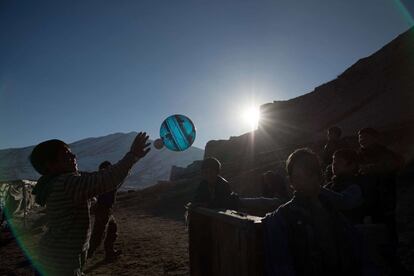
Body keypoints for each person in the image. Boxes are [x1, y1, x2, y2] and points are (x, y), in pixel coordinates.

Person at [30, 132, 150, 276]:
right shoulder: (65, 183)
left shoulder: (57, 183)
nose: (73, 157)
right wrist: (132, 155)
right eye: (66, 155)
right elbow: (106, 179)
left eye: (72, 153)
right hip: (60, 264)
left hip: (59, 258)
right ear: (50, 165)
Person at [262, 148, 362, 276]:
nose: (305, 179)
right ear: (291, 180)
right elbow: (281, 266)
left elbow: (356, 252)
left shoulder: (333, 212)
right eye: (298, 174)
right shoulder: (280, 219)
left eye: (310, 172)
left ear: (319, 176)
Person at [87, 161, 121, 261]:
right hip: (104, 209)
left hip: (106, 209)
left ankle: (109, 253)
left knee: (112, 230)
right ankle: (84, 257)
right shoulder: (105, 180)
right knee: (98, 235)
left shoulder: (106, 179)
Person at [321, 149, 365, 224]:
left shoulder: (356, 185)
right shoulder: (330, 185)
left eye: (339, 162)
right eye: (334, 161)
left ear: (352, 165)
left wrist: (317, 189)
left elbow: (344, 201)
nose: (334, 164)